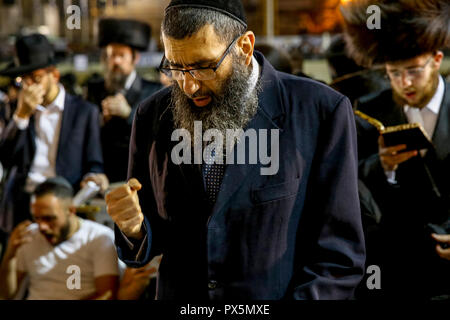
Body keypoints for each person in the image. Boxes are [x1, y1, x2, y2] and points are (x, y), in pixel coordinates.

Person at [105, 0, 365, 300]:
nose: (189, 86)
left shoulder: (320, 112)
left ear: (244, 46)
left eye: (203, 66)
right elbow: (153, 235)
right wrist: (134, 227)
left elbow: (339, 257)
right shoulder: (153, 114)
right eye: (176, 67)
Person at [342, 0, 450, 299]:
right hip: (395, 267)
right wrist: (383, 165)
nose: (405, 83)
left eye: (414, 70)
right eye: (394, 73)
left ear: (436, 59)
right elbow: (352, 184)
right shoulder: (368, 109)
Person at [0, 34, 107, 234]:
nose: (28, 86)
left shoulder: (85, 112)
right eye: (23, 80)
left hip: (64, 204)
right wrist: (21, 116)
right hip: (21, 204)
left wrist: (92, 178)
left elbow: (94, 163)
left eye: (36, 78)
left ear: (54, 76)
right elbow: (5, 158)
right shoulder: (14, 107)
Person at [0, 177, 120, 300]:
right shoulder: (30, 235)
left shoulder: (99, 237)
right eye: (37, 218)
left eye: (49, 218)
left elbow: (106, 295)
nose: (42, 226)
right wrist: (10, 254)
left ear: (71, 210)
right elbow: (7, 295)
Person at [85, 18, 163, 183]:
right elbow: (84, 133)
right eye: (111, 55)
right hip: (103, 176)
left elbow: (159, 134)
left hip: (140, 174)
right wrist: (100, 119)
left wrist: (129, 114)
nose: (116, 61)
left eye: (121, 55)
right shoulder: (94, 90)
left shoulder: (153, 90)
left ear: (135, 58)